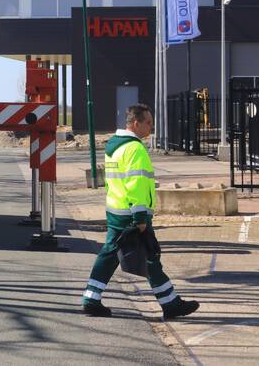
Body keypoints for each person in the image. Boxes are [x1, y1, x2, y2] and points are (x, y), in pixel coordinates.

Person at [81, 103, 200, 319]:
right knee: (149, 257)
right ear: (136, 123)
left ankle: (92, 298)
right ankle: (170, 304)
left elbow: (118, 182)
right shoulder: (134, 148)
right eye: (148, 123)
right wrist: (140, 217)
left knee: (112, 255)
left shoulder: (114, 147)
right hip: (132, 215)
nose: (150, 128)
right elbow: (135, 184)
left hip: (117, 210)